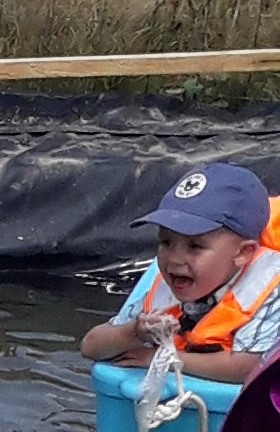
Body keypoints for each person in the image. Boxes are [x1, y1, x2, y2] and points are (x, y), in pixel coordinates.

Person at [76, 161, 280, 382]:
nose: (174, 259)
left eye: (195, 247)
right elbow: (90, 347)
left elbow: (248, 367)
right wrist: (134, 332)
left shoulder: (268, 288)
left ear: (243, 253)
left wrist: (163, 358)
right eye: (166, 242)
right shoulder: (168, 286)